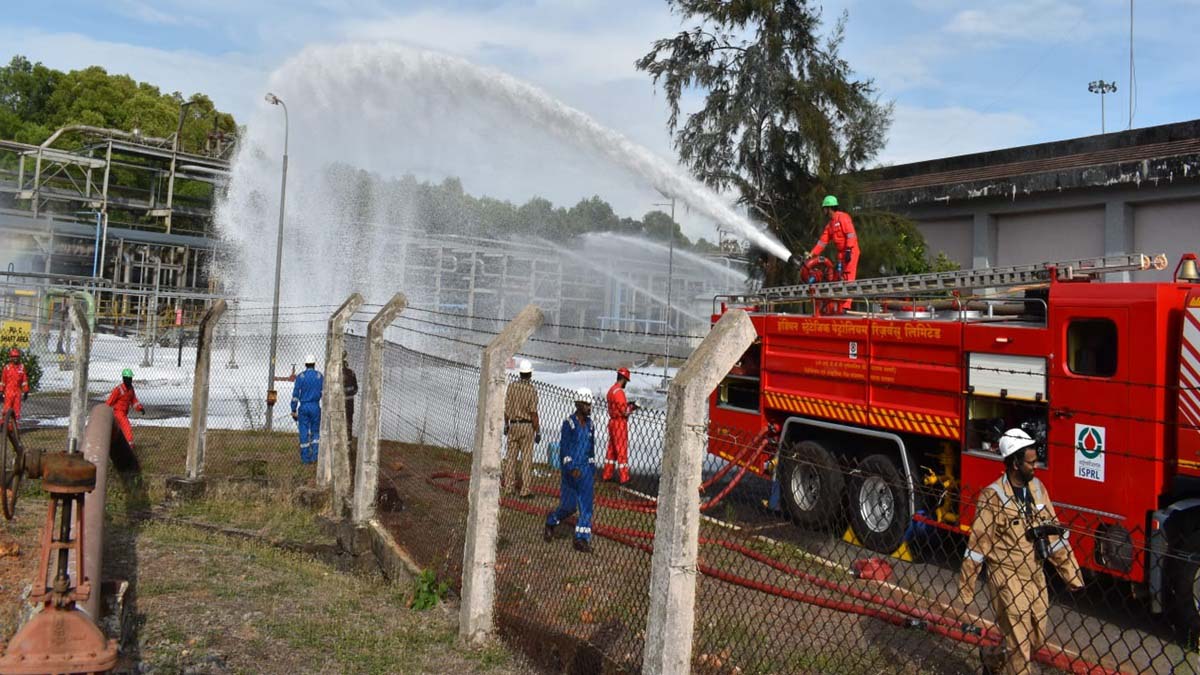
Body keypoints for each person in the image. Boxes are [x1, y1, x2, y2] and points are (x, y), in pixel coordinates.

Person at [957, 428, 1084, 675]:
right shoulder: (992, 497)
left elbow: (1054, 534)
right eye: (1030, 463)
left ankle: (991, 658)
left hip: (1035, 574)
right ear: (1015, 463)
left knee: (1034, 638)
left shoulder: (1037, 490)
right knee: (1020, 647)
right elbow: (977, 546)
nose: (1035, 467)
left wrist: (1071, 574)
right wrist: (967, 587)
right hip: (1006, 577)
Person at [545, 388, 596, 553]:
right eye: (586, 404)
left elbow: (591, 449)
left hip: (585, 470)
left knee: (586, 507)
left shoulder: (591, 425)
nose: (589, 408)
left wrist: (591, 468)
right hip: (571, 471)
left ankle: (581, 539)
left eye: (590, 404)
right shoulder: (569, 424)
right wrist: (570, 467)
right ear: (578, 404)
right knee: (569, 506)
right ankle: (551, 521)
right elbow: (564, 448)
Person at [808, 195, 859, 312]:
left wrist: (849, 249)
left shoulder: (843, 217)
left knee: (848, 277)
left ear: (829, 208)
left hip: (851, 251)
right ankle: (836, 304)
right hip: (842, 253)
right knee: (836, 278)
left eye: (824, 208)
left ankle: (846, 305)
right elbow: (822, 242)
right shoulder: (830, 225)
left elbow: (851, 234)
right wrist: (812, 254)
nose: (824, 211)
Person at [502, 359, 541, 498]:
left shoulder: (512, 387)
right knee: (526, 458)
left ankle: (508, 487)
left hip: (513, 424)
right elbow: (533, 413)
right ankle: (525, 490)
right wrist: (538, 431)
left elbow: (506, 409)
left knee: (511, 457)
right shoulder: (531, 390)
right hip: (526, 426)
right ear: (530, 374)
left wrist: (506, 425)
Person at [602, 367, 639, 484]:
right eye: (626, 381)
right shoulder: (619, 392)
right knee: (621, 450)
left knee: (611, 450)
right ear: (623, 379)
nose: (626, 384)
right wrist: (633, 407)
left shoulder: (611, 390)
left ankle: (607, 474)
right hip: (620, 423)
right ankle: (624, 477)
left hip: (612, 421)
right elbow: (624, 411)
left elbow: (617, 406)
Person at [290, 354, 323, 465]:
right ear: (314, 364)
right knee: (315, 432)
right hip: (315, 406)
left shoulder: (300, 377)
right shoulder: (319, 376)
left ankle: (305, 459)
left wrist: (293, 409)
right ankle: (315, 457)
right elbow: (324, 393)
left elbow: (295, 394)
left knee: (304, 432)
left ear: (305, 364)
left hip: (304, 406)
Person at [106, 368, 145, 449]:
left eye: (131, 378)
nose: (130, 380)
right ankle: (129, 445)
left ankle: (113, 445)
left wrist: (140, 408)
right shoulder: (118, 389)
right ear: (124, 379)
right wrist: (104, 411)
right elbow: (110, 401)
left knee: (117, 431)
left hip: (124, 413)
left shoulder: (131, 389)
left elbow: (134, 400)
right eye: (128, 379)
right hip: (118, 412)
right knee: (126, 427)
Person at [0, 348, 30, 425]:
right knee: (6, 409)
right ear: (10, 357)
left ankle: (14, 427)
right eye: (13, 356)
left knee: (16, 410)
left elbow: (24, 381)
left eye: (16, 356)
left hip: (17, 392)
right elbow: (3, 381)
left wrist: (26, 391)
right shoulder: (7, 368)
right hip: (8, 391)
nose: (15, 358)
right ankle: (4, 426)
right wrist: (1, 391)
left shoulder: (21, 367)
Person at [342, 351, 359, 435]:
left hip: (339, 402)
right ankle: (348, 442)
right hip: (349, 402)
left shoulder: (336, 373)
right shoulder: (352, 373)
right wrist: (350, 394)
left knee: (339, 421)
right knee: (349, 421)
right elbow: (356, 389)